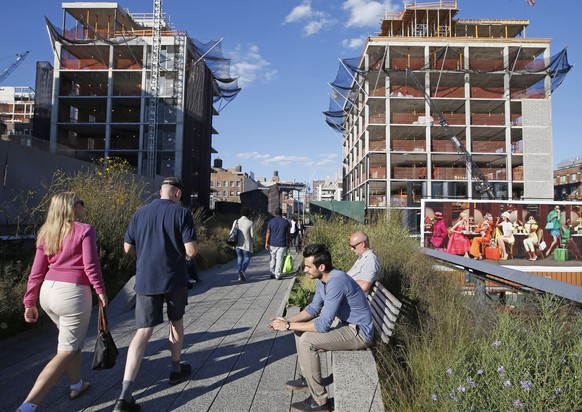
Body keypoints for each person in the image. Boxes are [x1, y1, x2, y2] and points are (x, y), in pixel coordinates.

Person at [18, 192, 107, 412]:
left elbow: (36, 272)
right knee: (66, 349)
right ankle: (28, 405)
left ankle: (76, 384)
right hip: (73, 294)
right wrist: (101, 291)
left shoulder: (47, 233)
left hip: (48, 292)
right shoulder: (84, 230)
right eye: (81, 202)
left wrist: (29, 301)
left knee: (70, 341)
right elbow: (91, 265)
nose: (84, 206)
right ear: (72, 208)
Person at [114, 177, 197, 412]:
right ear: (177, 194)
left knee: (142, 332)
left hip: (146, 279)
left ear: (161, 191)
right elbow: (191, 250)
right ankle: (175, 369)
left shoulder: (139, 213)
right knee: (176, 322)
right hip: (174, 279)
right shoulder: (181, 214)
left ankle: (124, 394)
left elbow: (127, 248)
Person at [268, 244, 373, 412]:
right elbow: (313, 309)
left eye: (308, 267)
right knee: (300, 330)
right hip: (346, 326)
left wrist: (287, 326)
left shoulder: (336, 281)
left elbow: (323, 324)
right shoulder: (322, 279)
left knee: (307, 340)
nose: (305, 270)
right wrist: (287, 320)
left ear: (321, 267)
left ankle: (320, 402)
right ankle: (307, 379)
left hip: (359, 332)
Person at [265, 207, 290, 280]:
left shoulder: (271, 221)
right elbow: (288, 234)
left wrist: (266, 243)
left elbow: (268, 232)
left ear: (275, 213)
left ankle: (272, 272)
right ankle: (277, 275)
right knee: (279, 259)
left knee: (272, 258)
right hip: (282, 243)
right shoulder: (285, 222)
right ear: (281, 213)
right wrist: (289, 242)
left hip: (272, 243)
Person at [231, 207, 254, 281]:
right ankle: (242, 271)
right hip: (246, 244)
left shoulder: (236, 221)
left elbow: (231, 232)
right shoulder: (250, 222)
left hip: (237, 243)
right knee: (247, 257)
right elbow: (252, 235)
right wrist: (253, 243)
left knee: (239, 258)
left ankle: (239, 276)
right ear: (248, 214)